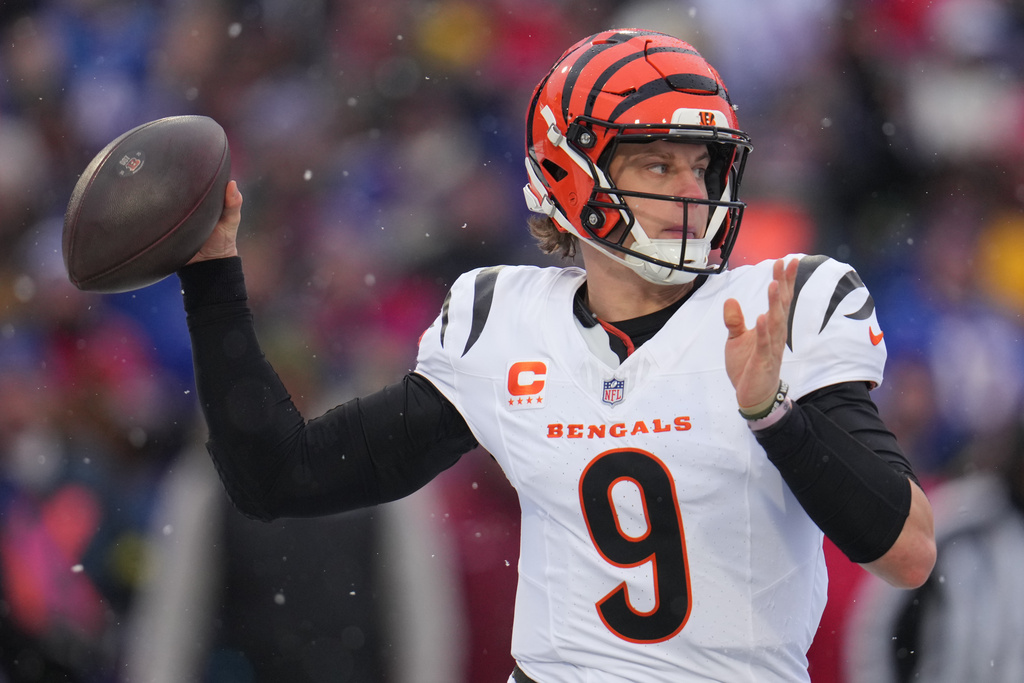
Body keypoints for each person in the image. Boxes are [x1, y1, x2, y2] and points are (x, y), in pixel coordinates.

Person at [177, 29, 936, 683]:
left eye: (702, 166)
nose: (694, 191)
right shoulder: (505, 323)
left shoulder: (782, 306)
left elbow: (905, 553)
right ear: (576, 174)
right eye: (658, 165)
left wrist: (774, 416)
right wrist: (213, 278)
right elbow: (278, 475)